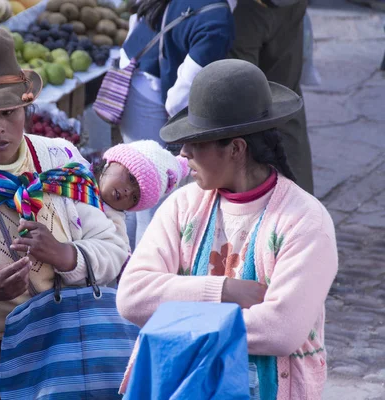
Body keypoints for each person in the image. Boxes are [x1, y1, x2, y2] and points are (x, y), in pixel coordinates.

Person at [0, 25, 130, 399]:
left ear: (26, 108)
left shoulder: (59, 160)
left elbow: (114, 248)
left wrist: (67, 256)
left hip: (67, 351)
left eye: (9, 112)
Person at [116, 59, 338, 399]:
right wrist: (224, 290)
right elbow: (132, 297)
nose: (184, 152)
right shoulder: (183, 206)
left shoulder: (304, 221)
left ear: (236, 148)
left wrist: (175, 314)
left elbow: (281, 329)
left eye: (197, 143)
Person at [118, 0, 236, 248]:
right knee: (152, 204)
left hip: (135, 77)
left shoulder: (211, 12)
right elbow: (178, 101)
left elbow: (136, 17)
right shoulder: (218, 20)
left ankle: (118, 276)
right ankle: (143, 281)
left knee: (134, 199)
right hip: (149, 96)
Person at [229, 0, 314, 194]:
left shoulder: (249, 17)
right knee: (284, 96)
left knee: (246, 93)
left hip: (255, 10)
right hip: (281, 7)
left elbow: (239, 88)